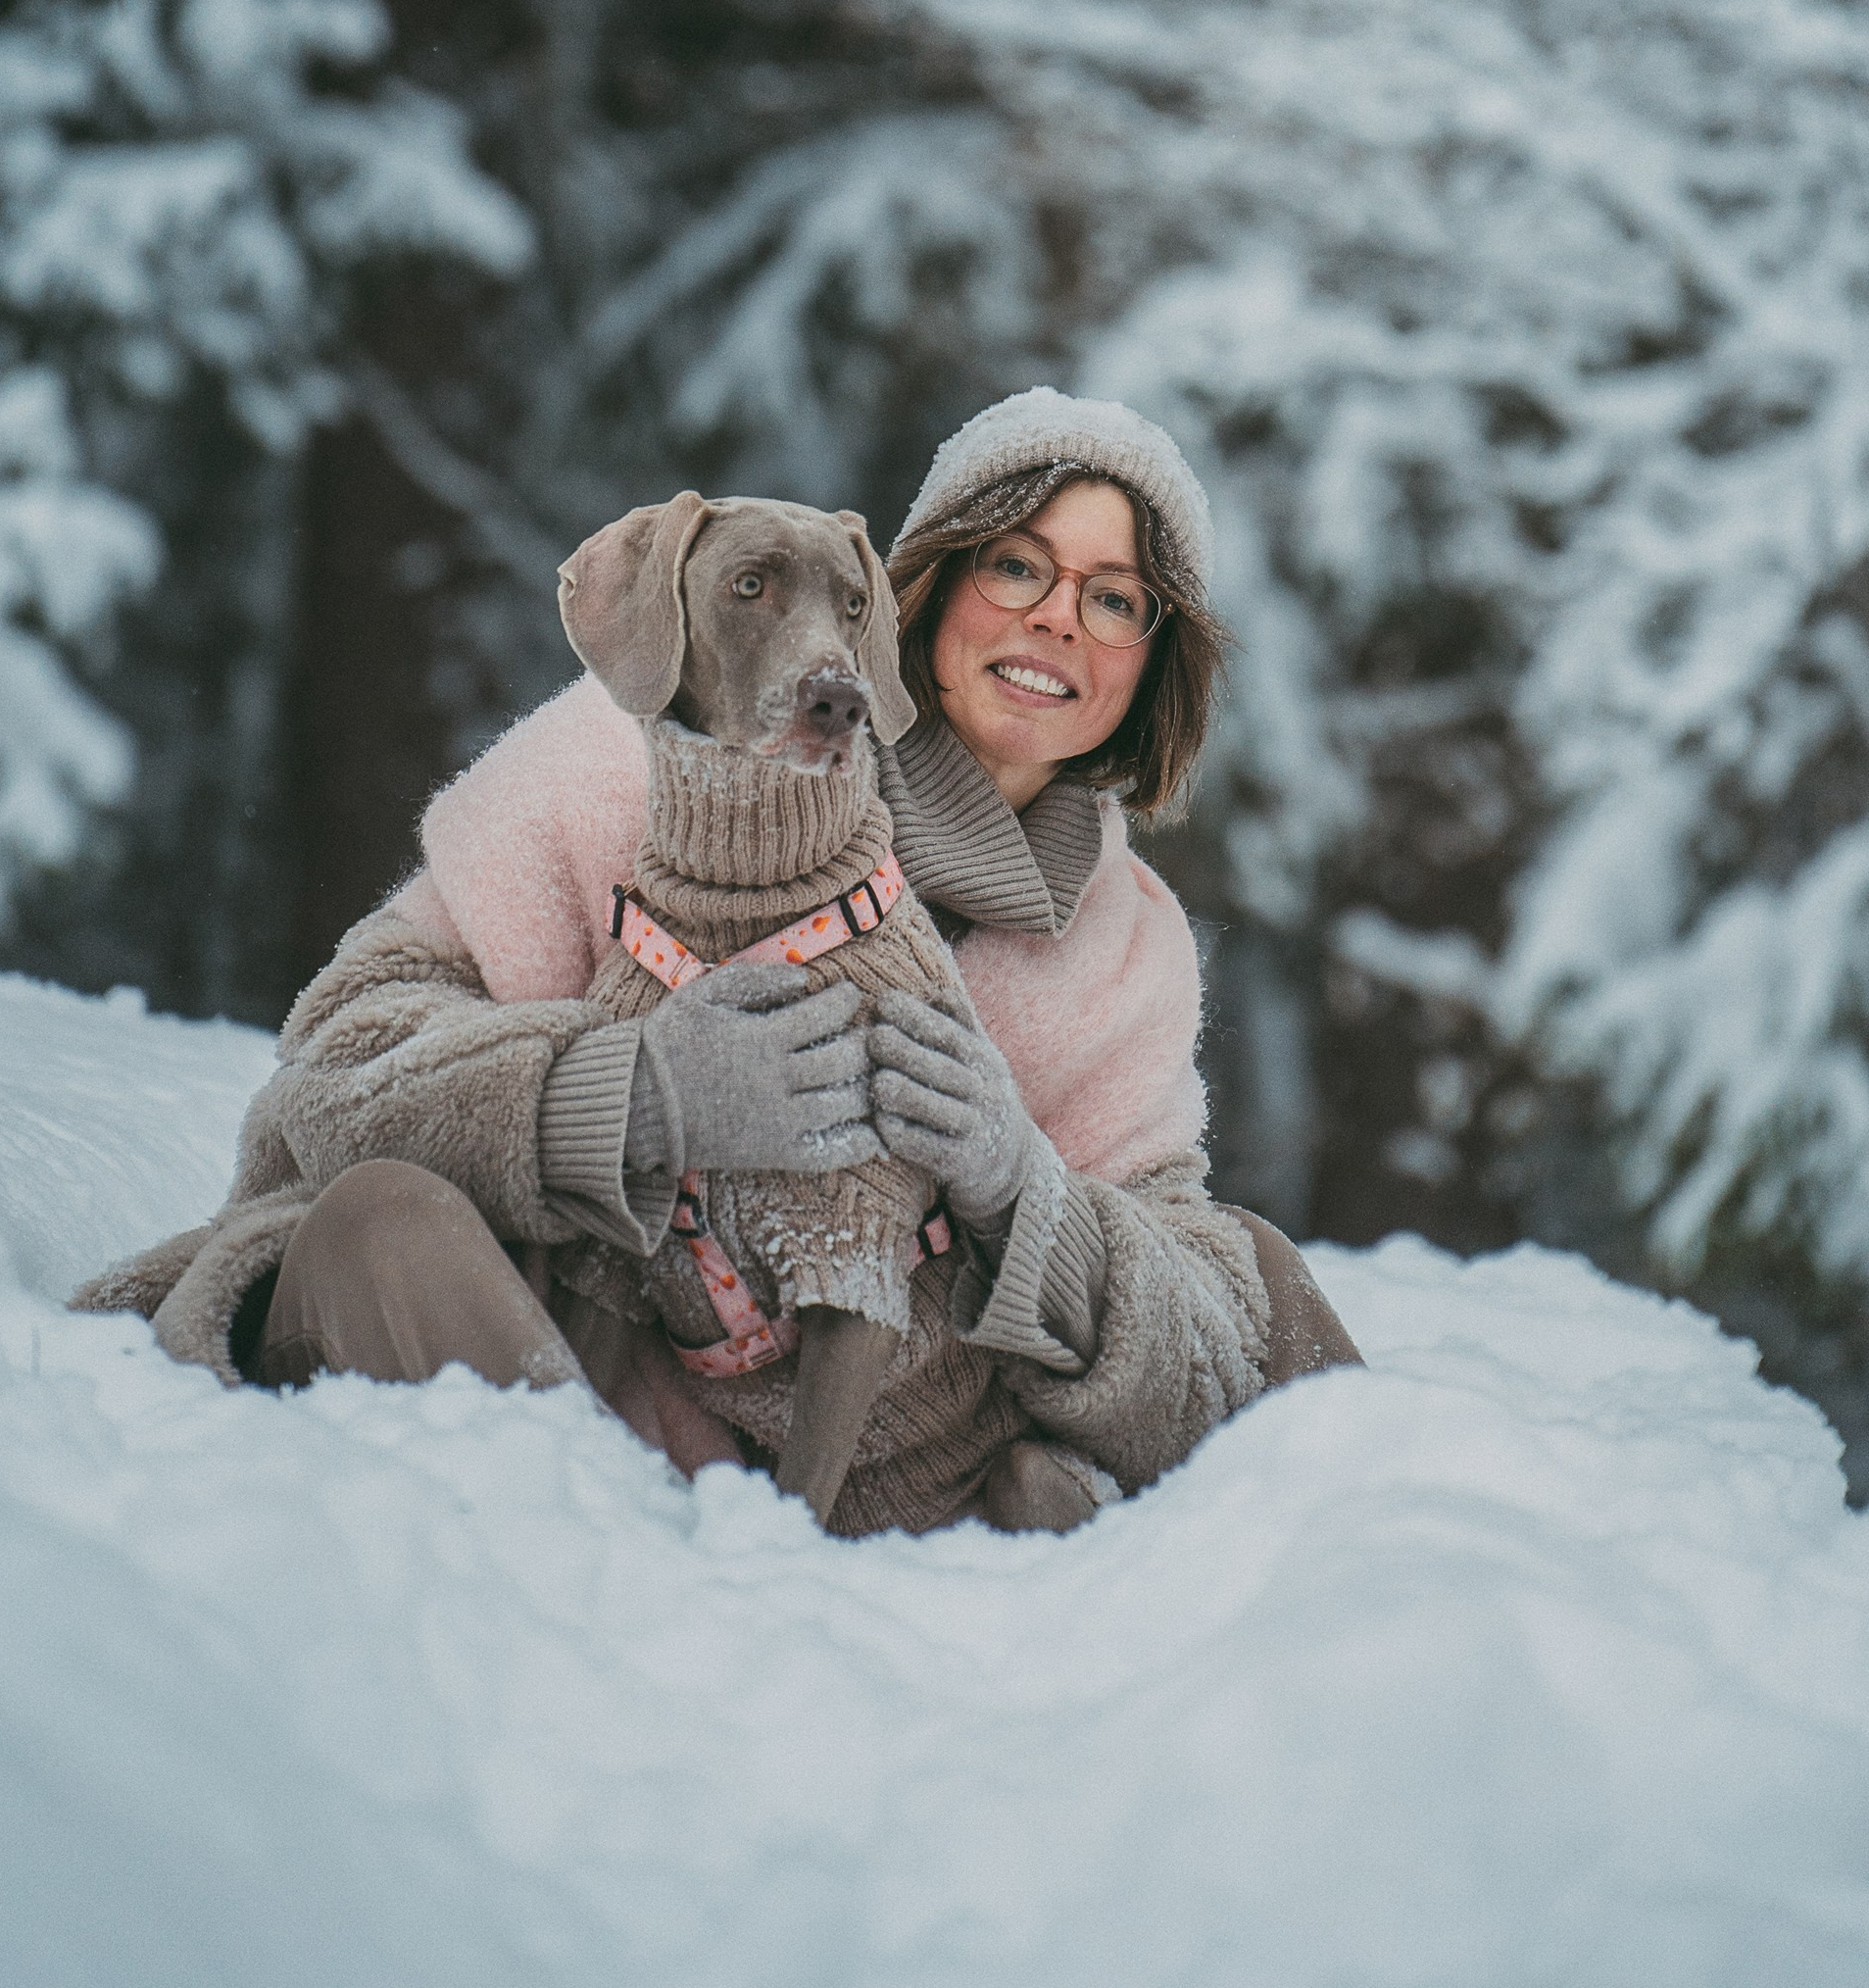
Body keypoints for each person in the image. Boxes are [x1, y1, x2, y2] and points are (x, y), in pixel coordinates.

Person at [74, 389, 1359, 1526]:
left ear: (1154, 663)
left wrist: (1029, 1197)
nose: (1059, 620)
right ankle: (606, 1574)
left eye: (1115, 599)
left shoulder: (1128, 952)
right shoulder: (635, 749)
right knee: (377, 1225)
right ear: (920, 592)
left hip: (885, 1498)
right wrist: (626, 1092)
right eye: (1017, 567)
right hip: (546, 1401)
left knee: (1261, 1292)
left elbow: (1191, 1336)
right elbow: (335, 1063)